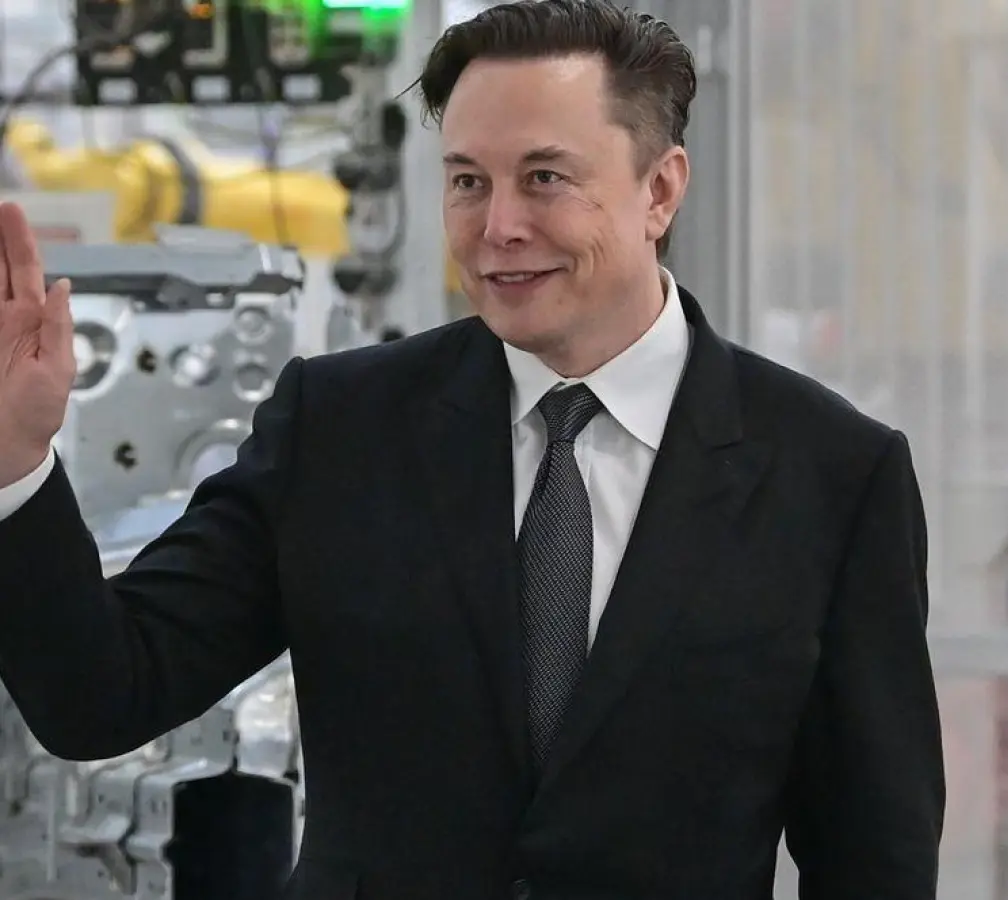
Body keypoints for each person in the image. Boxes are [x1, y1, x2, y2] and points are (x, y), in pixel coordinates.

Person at [0, 2, 945, 898]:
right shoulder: (338, 429)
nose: (496, 229)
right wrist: (16, 462)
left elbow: (873, 859)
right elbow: (101, 695)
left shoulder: (829, 476)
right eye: (467, 181)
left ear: (660, 189)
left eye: (544, 177)